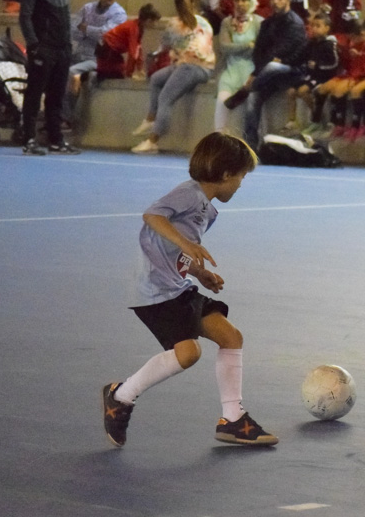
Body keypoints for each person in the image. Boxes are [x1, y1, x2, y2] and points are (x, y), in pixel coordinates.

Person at [102, 132, 278, 448]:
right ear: (225, 174)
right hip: (154, 292)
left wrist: (200, 273)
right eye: (240, 177)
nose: (240, 184)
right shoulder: (189, 193)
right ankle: (120, 396)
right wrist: (186, 244)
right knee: (188, 354)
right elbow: (152, 216)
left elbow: (177, 250)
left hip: (176, 286)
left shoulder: (205, 210)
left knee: (230, 336)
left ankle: (234, 420)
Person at [131, 0, 216, 154]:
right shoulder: (204, 22)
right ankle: (150, 118)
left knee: (165, 98)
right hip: (198, 67)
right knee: (156, 79)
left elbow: (165, 46)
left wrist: (153, 56)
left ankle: (152, 141)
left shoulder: (174, 24)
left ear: (177, 6)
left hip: (192, 67)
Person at [18, 0, 79, 156]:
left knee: (56, 96)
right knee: (34, 95)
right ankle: (29, 140)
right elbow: (25, 16)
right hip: (43, 49)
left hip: (62, 49)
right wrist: (34, 45)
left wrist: (68, 44)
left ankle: (56, 140)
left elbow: (65, 17)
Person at [236, 0, 306, 150]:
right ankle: (250, 145)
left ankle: (247, 88)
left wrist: (255, 74)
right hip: (268, 74)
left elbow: (280, 51)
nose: (275, 1)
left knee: (273, 66)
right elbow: (258, 52)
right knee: (253, 98)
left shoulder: (295, 23)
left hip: (292, 72)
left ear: (288, 0)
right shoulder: (267, 23)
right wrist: (258, 69)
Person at [66, 0, 127, 124]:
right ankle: (48, 114)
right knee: (54, 67)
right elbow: (74, 31)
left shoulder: (119, 14)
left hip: (99, 58)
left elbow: (105, 34)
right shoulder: (87, 8)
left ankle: (66, 118)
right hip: (79, 53)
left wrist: (86, 28)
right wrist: (91, 32)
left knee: (71, 72)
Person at [214, 0, 263, 134]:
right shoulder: (227, 23)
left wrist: (238, 47)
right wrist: (247, 45)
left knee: (251, 107)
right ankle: (218, 139)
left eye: (244, 0)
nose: (240, 3)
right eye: (237, 0)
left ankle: (252, 143)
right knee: (221, 103)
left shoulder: (259, 22)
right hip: (231, 69)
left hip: (251, 70)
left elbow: (259, 49)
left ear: (251, 2)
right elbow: (224, 47)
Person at [292, 11, 338, 133]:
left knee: (303, 91)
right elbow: (301, 57)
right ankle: (292, 121)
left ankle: (317, 118)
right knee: (290, 91)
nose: (314, 29)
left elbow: (334, 64)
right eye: (313, 26)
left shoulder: (330, 44)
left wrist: (318, 66)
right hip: (311, 75)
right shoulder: (311, 43)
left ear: (327, 28)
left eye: (318, 26)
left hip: (323, 77)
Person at [96, 3, 162, 81]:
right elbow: (133, 53)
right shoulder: (134, 29)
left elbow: (138, 49)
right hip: (107, 48)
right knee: (114, 73)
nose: (156, 24)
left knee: (120, 70)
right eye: (155, 21)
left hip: (110, 49)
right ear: (148, 21)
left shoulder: (138, 27)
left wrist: (140, 68)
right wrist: (129, 75)